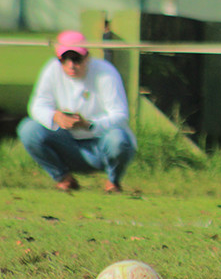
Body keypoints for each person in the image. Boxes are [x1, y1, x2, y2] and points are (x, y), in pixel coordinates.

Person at [18, 30, 136, 193]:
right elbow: (37, 106)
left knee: (119, 140)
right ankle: (64, 178)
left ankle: (113, 182)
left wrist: (89, 125)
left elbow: (120, 116)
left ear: (87, 57)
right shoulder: (51, 70)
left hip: (100, 144)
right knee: (28, 129)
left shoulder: (106, 72)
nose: (71, 64)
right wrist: (55, 116)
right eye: (64, 59)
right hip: (67, 144)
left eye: (76, 59)